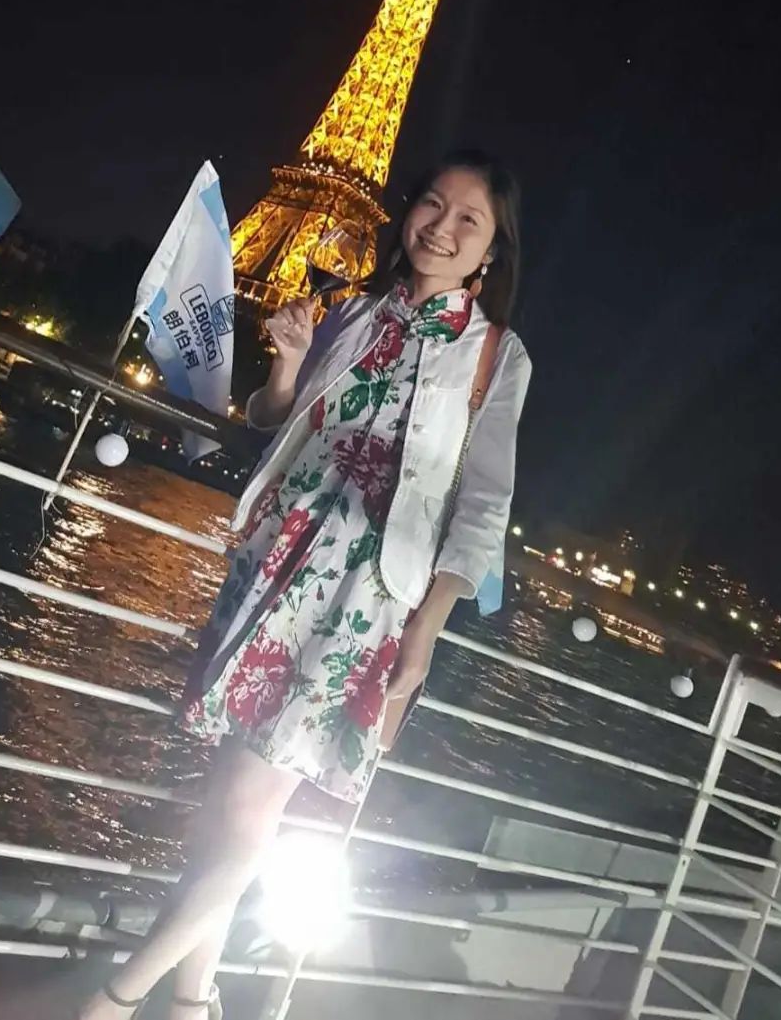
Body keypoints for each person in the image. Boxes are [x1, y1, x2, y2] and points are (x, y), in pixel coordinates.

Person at [79, 148, 532, 1019]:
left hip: (362, 599)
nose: (441, 227)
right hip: (275, 558)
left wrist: (425, 633)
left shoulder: (496, 357)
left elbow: (484, 505)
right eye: (431, 204)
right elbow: (274, 419)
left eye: (468, 219)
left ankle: (111, 1001)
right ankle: (191, 1002)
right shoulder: (354, 310)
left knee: (254, 808)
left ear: (492, 250)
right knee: (227, 799)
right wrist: (287, 362)